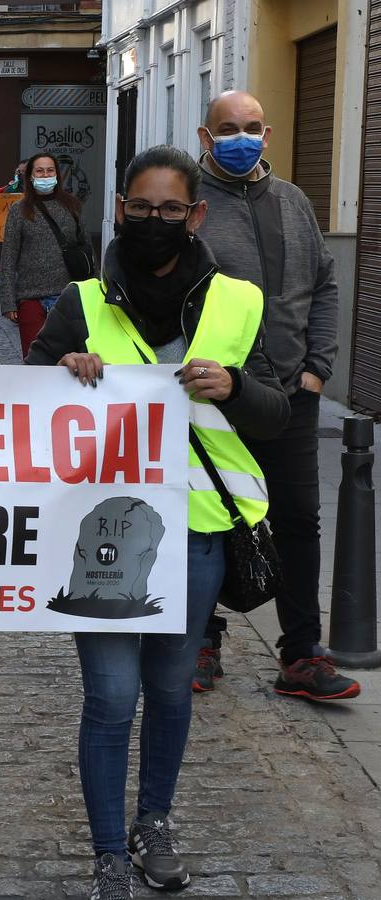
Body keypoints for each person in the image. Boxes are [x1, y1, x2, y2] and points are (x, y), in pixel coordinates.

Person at [27, 145, 288, 899]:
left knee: (172, 690)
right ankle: (110, 849)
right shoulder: (81, 299)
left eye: (171, 210)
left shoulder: (239, 301)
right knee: (111, 695)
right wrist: (61, 372)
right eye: (140, 208)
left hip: (200, 532)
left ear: (195, 215)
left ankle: (155, 822)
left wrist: (235, 385)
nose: (154, 221)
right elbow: (20, 409)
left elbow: (274, 415)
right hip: (102, 532)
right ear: (119, 209)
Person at [192, 90, 360, 700]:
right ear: (208, 138)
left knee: (296, 521)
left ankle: (301, 656)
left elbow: (324, 286)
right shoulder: (189, 204)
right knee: (209, 520)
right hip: (212, 397)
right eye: (229, 129)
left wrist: (317, 369)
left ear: (267, 134)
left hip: (292, 393)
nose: (243, 138)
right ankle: (199, 643)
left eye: (254, 128)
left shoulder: (293, 201)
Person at [0, 152, 92, 356]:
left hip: (68, 297)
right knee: (35, 361)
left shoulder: (72, 205)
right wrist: (7, 301)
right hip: (31, 299)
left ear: (57, 175)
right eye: (39, 171)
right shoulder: (19, 210)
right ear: (30, 176)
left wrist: (92, 291)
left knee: (69, 361)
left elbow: (86, 250)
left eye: (50, 170)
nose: (45, 175)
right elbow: (8, 258)